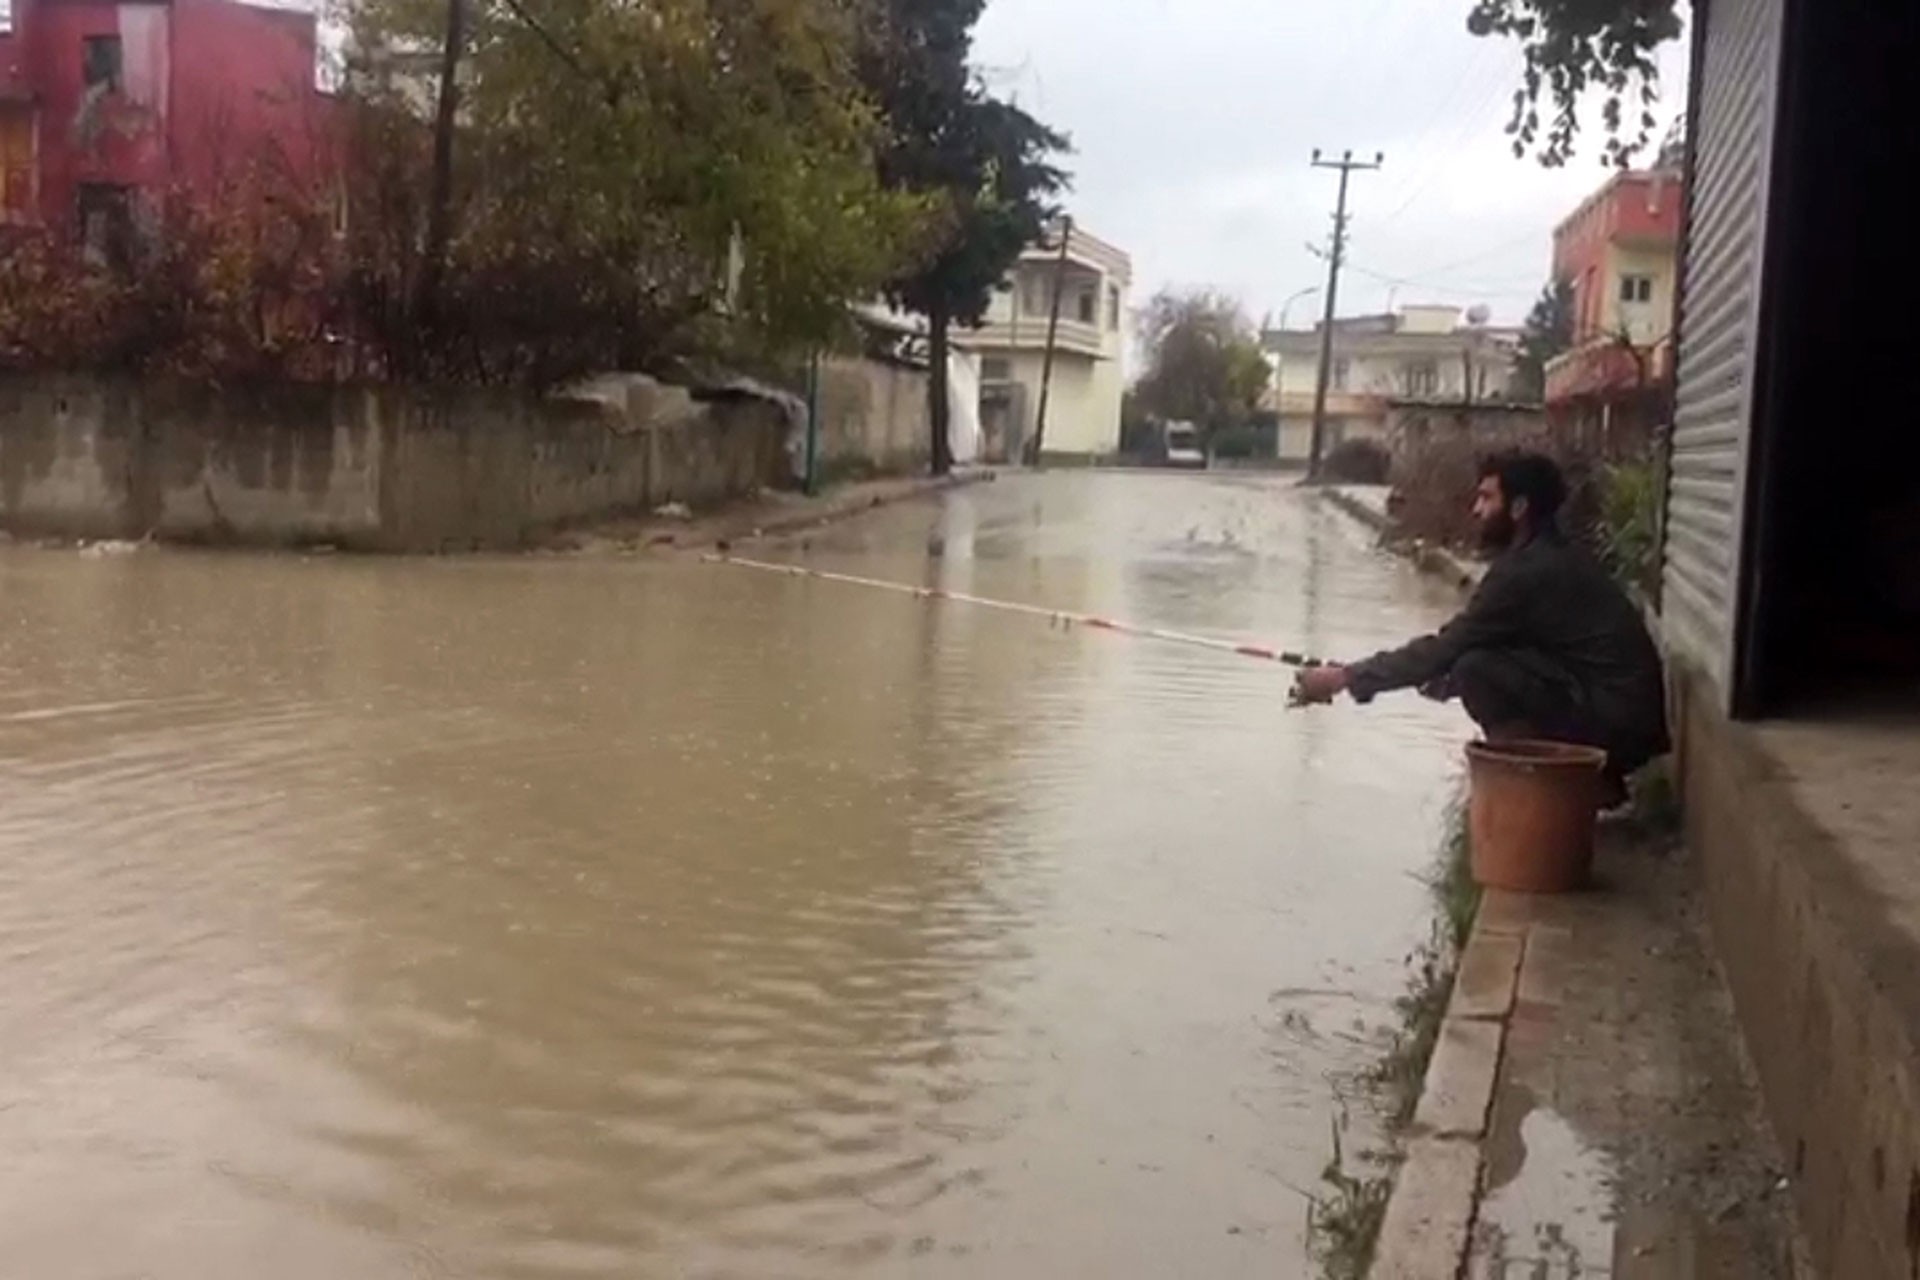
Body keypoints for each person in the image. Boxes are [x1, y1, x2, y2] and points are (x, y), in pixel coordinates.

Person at [1291, 449, 1669, 803]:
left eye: (1487, 498)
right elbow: (1498, 644)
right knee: (1468, 664)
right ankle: (1590, 784)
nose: (1476, 509)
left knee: (1476, 669)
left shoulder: (1524, 574)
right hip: (1624, 717)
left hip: (1619, 727)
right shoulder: (1552, 557)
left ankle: (1542, 791)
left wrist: (1344, 678)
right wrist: (1442, 673)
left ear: (1519, 507)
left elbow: (1448, 647)